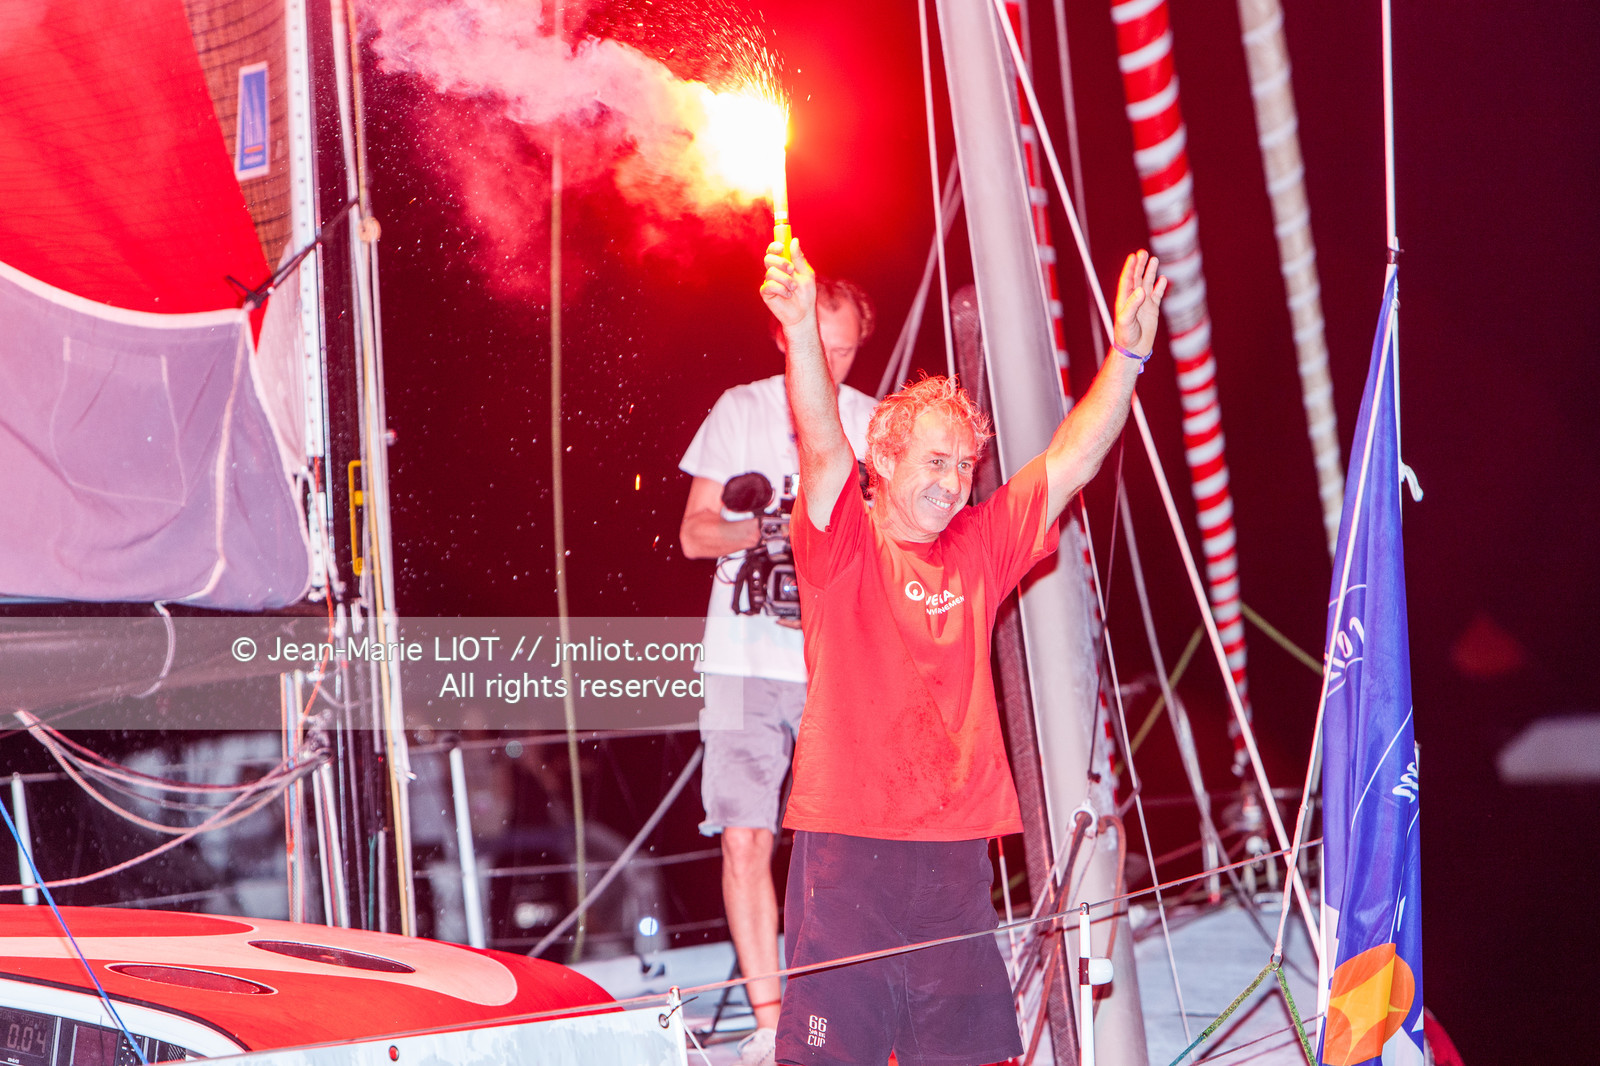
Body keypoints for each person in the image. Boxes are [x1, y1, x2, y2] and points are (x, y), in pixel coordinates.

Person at [759, 238, 1167, 1066]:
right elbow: (819, 439)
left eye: (965, 465)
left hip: (955, 853)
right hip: (850, 848)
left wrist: (1126, 355)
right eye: (934, 461)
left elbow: (1072, 458)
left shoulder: (981, 543)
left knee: (967, 1058)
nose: (952, 481)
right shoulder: (843, 541)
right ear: (886, 459)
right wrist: (803, 330)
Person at [678, 275, 879, 1066]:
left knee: (843, 847)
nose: (829, 363)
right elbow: (695, 534)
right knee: (743, 840)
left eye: (844, 350)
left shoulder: (873, 422)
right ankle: (771, 1029)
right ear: (781, 332)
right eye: (813, 345)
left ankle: (836, 1010)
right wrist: (769, 528)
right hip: (740, 665)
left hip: (838, 665)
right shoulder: (741, 409)